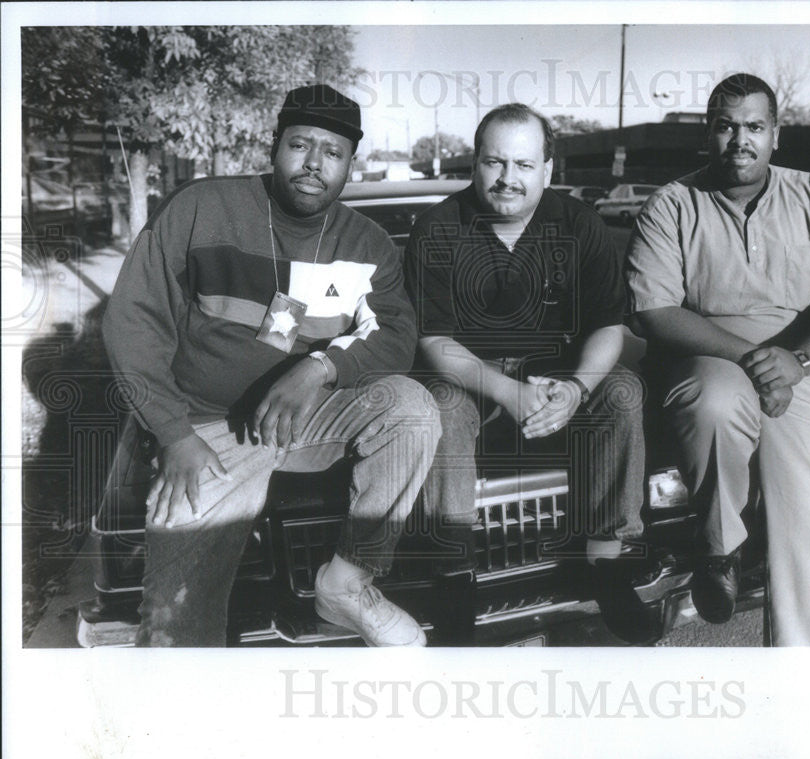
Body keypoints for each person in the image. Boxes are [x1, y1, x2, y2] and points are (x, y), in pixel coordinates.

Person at [103, 84, 440, 647]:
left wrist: (319, 369)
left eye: (333, 153)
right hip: (210, 431)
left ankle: (348, 584)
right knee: (173, 626)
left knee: (412, 407)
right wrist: (172, 434)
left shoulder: (369, 243)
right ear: (274, 146)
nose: (314, 164)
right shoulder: (201, 207)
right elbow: (133, 320)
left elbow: (397, 335)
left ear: (350, 164)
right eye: (300, 145)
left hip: (309, 419)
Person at [625, 74, 810, 646]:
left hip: (797, 368)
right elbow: (657, 311)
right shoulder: (673, 203)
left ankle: (802, 684)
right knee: (714, 401)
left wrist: (799, 360)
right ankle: (721, 550)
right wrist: (752, 357)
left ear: (775, 136)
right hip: (707, 353)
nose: (739, 139)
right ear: (707, 133)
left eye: (754, 127)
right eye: (725, 126)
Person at [404, 103, 656, 644]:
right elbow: (432, 340)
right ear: (475, 164)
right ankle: (454, 577)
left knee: (622, 392)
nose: (508, 179)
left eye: (523, 165)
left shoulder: (580, 225)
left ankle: (605, 562)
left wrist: (576, 388)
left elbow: (608, 326)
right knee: (441, 406)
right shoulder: (438, 227)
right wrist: (507, 391)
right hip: (470, 379)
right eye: (495, 163)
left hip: (555, 374)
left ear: (547, 170)